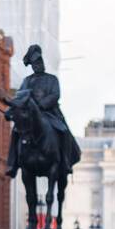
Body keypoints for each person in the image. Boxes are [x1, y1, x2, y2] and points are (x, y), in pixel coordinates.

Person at [5, 44, 81, 180]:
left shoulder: (52, 79)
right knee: (16, 132)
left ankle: (65, 161)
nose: (39, 65)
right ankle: (13, 163)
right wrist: (13, 109)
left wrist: (41, 105)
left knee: (63, 131)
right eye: (36, 63)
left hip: (50, 113)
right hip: (30, 116)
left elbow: (55, 95)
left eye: (40, 62)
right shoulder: (27, 81)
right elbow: (20, 97)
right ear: (32, 66)